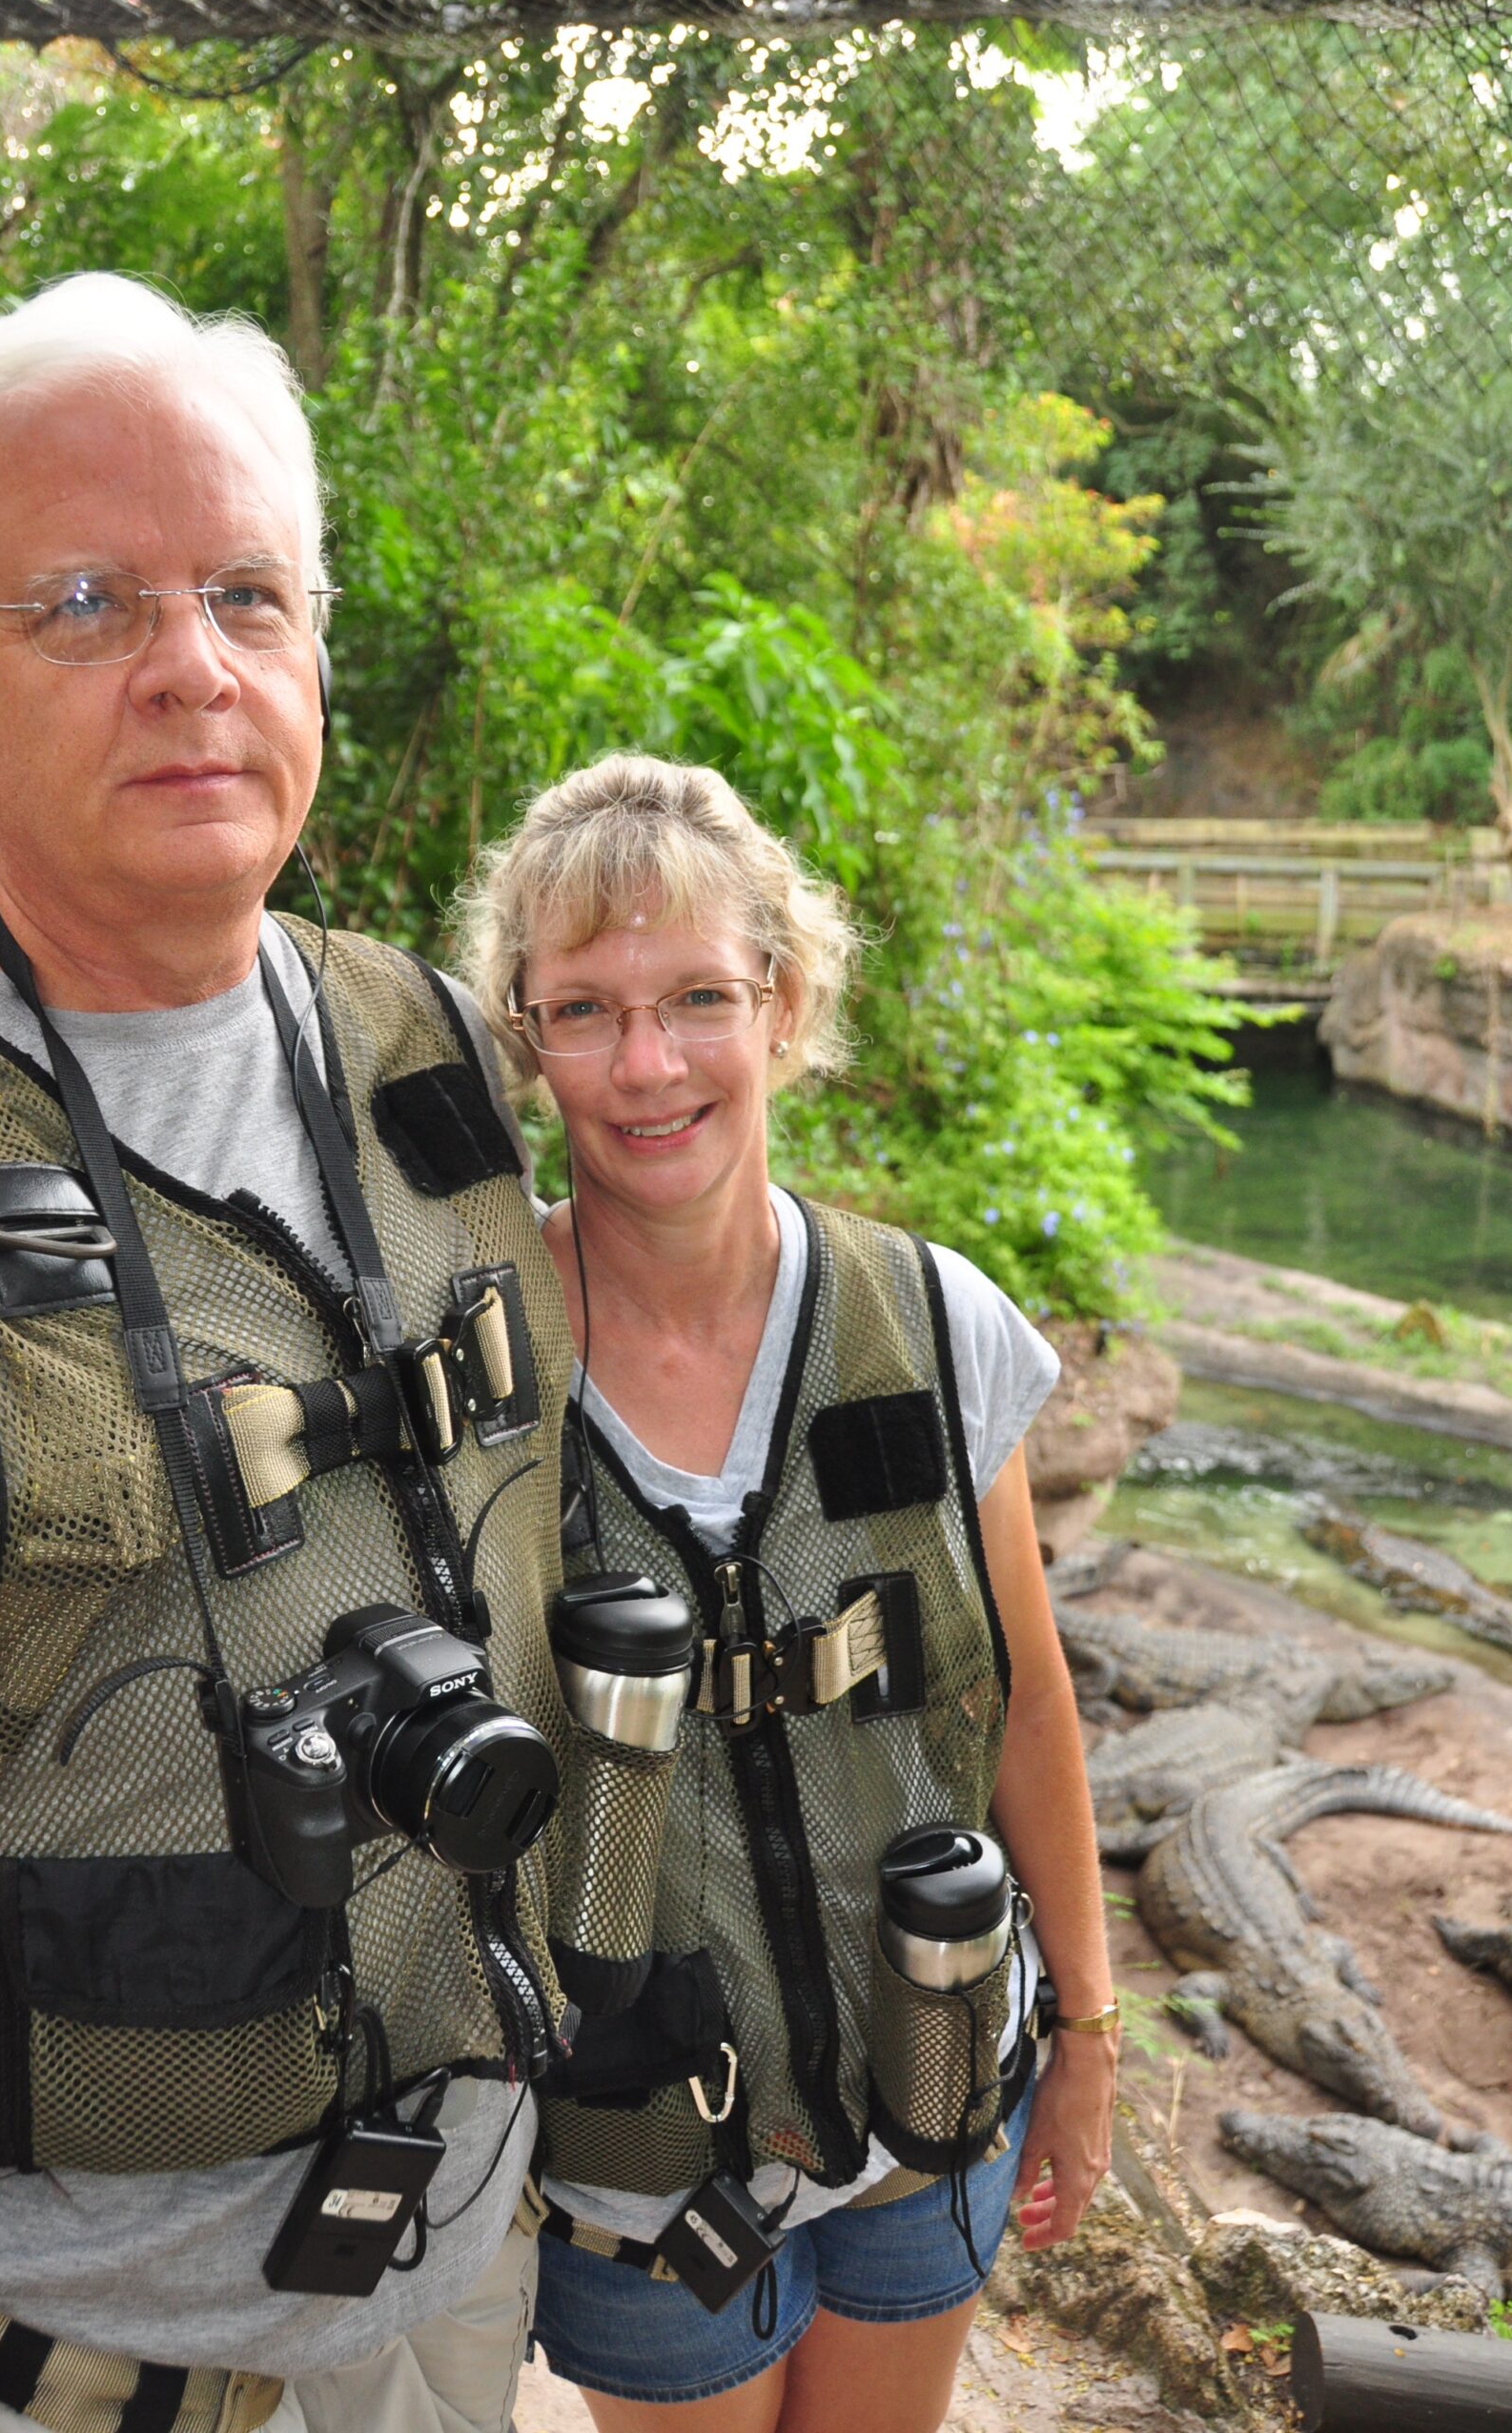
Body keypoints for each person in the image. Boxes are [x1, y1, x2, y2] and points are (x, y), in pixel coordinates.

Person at [0, 275, 575, 2433]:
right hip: (60, 2374)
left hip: (465, 2287)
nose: (193, 665)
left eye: (248, 594)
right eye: (86, 602)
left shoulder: (427, 1042)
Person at [459, 756, 1120, 2433]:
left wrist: (1091, 2035)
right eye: (586, 1010)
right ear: (525, 1038)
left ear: (785, 997)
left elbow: (1025, 1704)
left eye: (698, 996)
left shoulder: (934, 1321)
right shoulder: (478, 1374)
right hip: (638, 2167)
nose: (649, 1065)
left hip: (935, 2089)